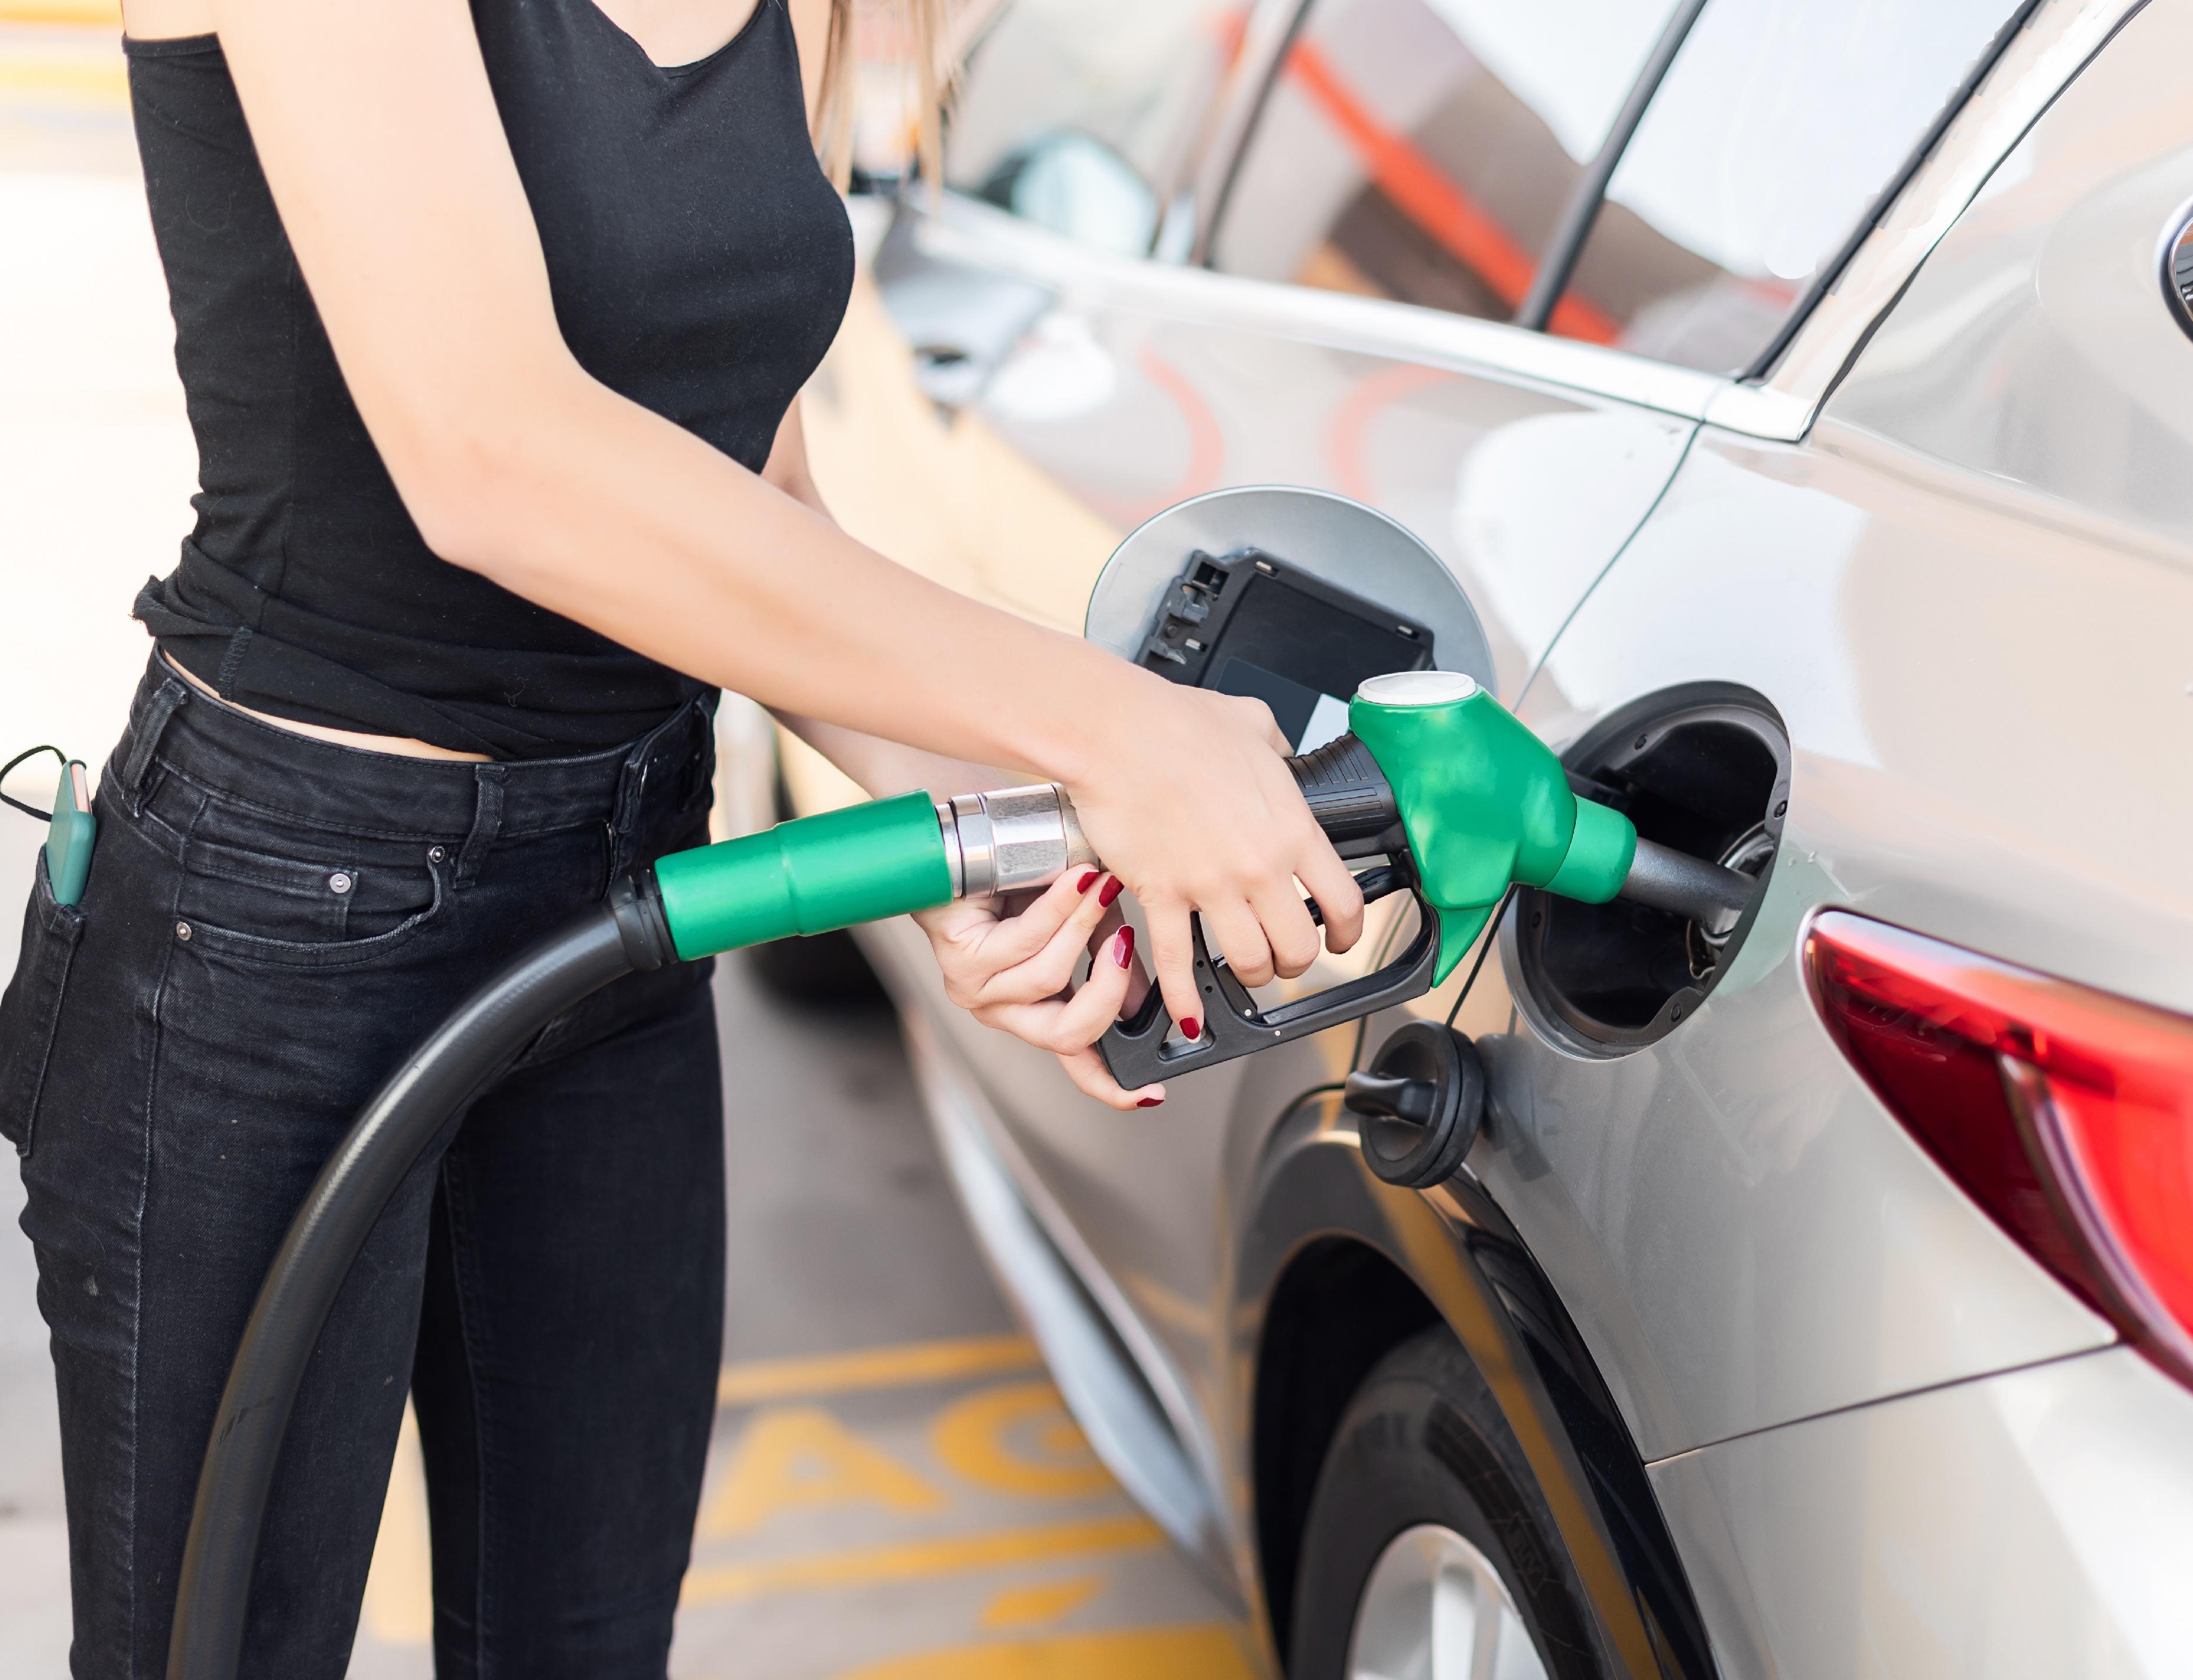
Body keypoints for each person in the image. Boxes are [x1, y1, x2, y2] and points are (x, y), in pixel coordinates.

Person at [0, 0, 1364, 1671]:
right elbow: (491, 453)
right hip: (279, 911)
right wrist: (1105, 726)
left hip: (633, 875)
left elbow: (750, 486)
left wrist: (962, 821)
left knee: (581, 1641)